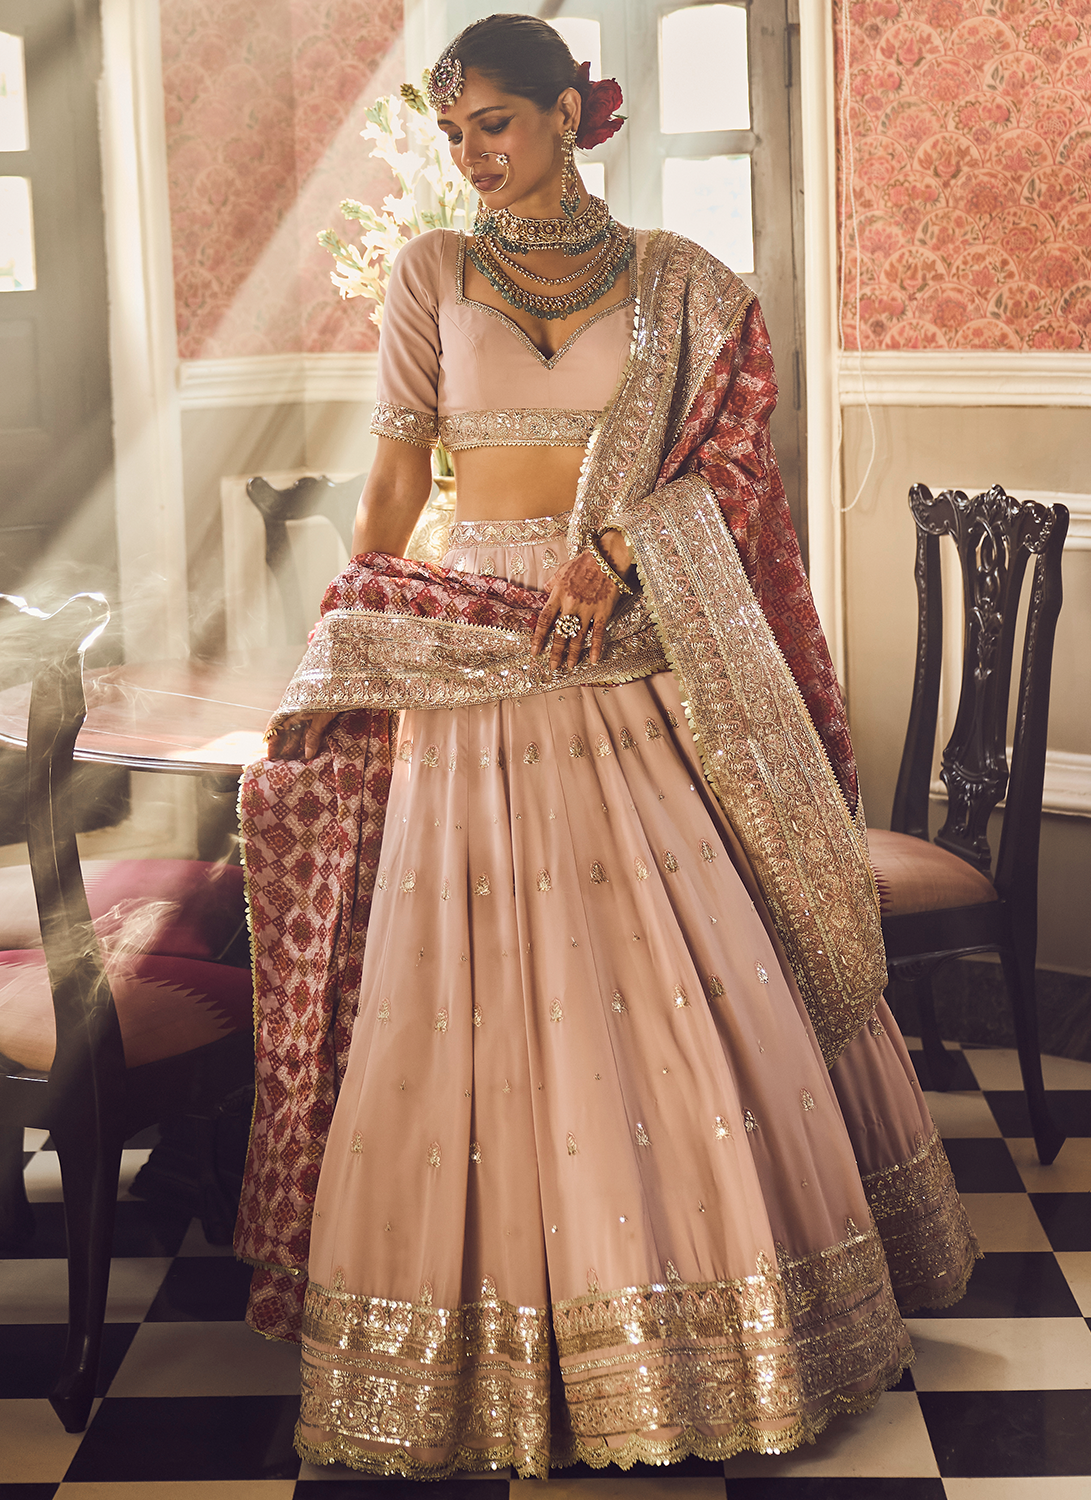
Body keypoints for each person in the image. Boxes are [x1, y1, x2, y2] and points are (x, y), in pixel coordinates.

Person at [233, 13, 979, 1478]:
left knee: (675, 961)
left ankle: (727, 1327)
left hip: (623, 646)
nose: (469, 158)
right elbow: (393, 487)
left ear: (571, 115)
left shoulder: (683, 287)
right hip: (465, 642)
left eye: (494, 126)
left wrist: (622, 554)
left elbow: (730, 472)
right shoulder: (431, 271)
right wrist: (344, 637)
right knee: (471, 976)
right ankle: (493, 1341)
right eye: (450, 134)